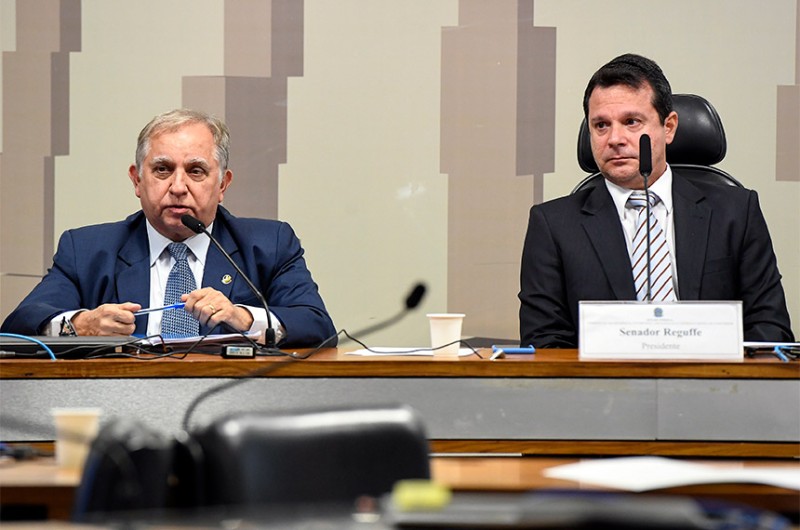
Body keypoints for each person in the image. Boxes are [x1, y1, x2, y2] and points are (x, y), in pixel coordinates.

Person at [519, 53, 794, 348]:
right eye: (601, 125)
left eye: (631, 122)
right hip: (602, 389)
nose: (614, 138)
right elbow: (544, 343)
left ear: (669, 127)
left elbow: (770, 328)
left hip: (717, 385)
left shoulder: (736, 212)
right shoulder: (553, 225)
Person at [1, 109, 336, 348]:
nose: (178, 186)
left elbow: (318, 326)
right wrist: (79, 326)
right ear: (137, 180)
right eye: (162, 169)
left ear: (222, 184)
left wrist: (244, 319)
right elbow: (18, 327)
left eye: (196, 171)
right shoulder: (87, 249)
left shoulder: (268, 244)